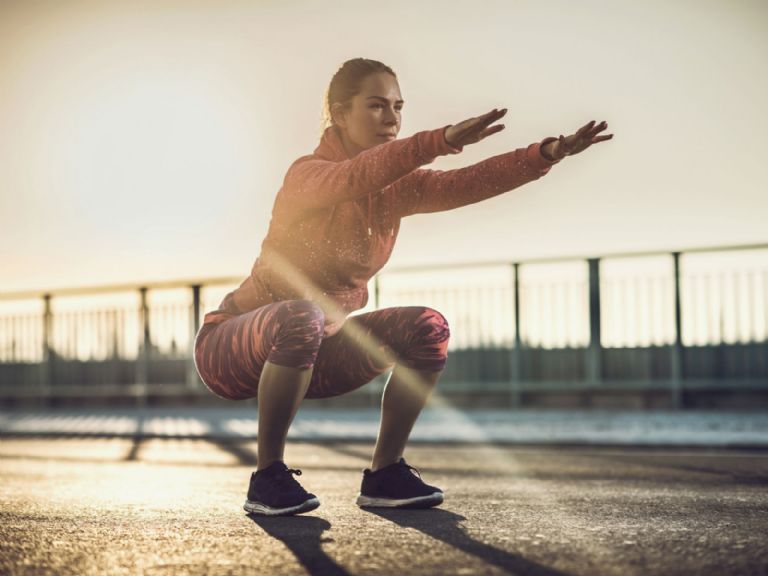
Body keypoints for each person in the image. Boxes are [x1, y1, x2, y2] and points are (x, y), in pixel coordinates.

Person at [193, 57, 612, 516]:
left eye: (398, 106)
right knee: (302, 314)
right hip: (230, 349)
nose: (391, 118)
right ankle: (267, 476)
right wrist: (439, 141)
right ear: (338, 113)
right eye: (376, 106)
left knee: (428, 327)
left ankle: (384, 474)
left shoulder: (396, 191)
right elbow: (357, 176)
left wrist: (544, 154)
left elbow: (466, 183)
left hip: (313, 352)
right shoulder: (307, 176)